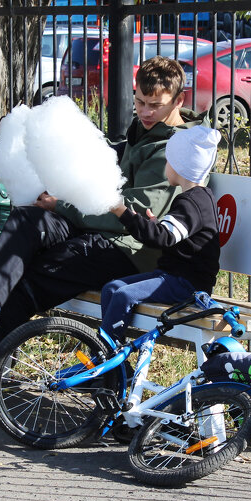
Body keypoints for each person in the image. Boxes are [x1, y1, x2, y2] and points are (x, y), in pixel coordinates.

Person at [0, 55, 203, 418]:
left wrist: (62, 204)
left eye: (154, 105)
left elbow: (129, 216)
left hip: (127, 251)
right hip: (93, 231)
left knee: (25, 285)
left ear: (179, 100)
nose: (144, 111)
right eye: (140, 101)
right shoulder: (141, 132)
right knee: (28, 219)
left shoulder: (172, 148)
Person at [99, 125, 222, 343]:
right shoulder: (194, 198)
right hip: (171, 276)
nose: (166, 164)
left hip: (189, 284)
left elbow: (160, 238)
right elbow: (171, 235)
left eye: (168, 160)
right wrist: (156, 224)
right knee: (111, 288)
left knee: (124, 295)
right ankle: (112, 363)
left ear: (179, 166)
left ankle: (105, 358)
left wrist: (122, 212)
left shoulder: (193, 203)